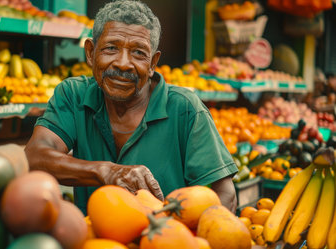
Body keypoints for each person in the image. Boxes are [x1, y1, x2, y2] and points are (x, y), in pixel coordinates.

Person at [25, 0, 238, 214]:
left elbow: (225, 194)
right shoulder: (73, 95)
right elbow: (34, 157)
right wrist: (106, 172)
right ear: (90, 52)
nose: (123, 63)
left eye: (138, 53)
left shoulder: (185, 109)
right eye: (110, 48)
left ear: (153, 63)